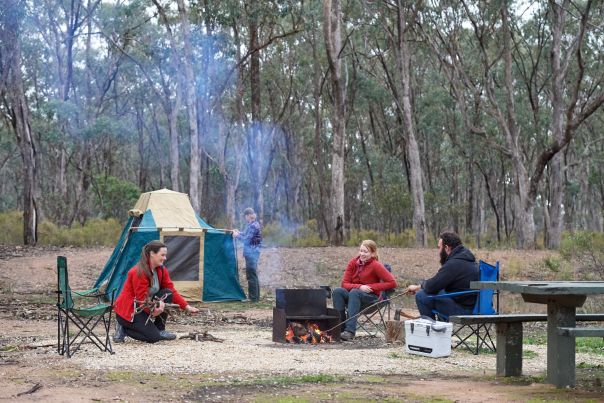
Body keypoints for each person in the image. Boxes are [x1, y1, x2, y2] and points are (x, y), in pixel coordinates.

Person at [113, 240, 199, 343]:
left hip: (145, 306)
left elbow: (171, 290)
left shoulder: (161, 270)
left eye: (165, 255)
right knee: (153, 338)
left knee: (167, 293)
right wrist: (153, 312)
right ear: (152, 254)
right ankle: (124, 328)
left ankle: (160, 329)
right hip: (130, 310)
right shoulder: (138, 272)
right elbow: (141, 300)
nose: (165, 258)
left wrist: (187, 307)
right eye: (162, 255)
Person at [332, 240, 397, 341]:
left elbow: (392, 283)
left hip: (372, 299)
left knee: (354, 292)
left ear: (373, 253)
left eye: (365, 252)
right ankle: (340, 328)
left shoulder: (376, 265)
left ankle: (350, 331)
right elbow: (344, 284)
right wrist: (360, 287)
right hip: (354, 297)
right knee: (337, 291)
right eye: (361, 251)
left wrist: (372, 287)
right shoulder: (353, 263)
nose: (362, 254)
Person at [406, 231, 479, 320]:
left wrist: (418, 287)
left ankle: (432, 331)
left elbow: (432, 286)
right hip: (475, 307)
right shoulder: (470, 261)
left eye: (439, 248)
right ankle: (442, 330)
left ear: (447, 248)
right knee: (439, 291)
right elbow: (437, 284)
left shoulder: (453, 264)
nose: (438, 252)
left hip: (464, 310)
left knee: (421, 296)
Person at [232, 207, 263, 302]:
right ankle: (255, 297)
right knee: (253, 274)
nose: (245, 218)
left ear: (249, 215)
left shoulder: (253, 225)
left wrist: (237, 236)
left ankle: (253, 298)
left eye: (245, 216)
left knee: (251, 275)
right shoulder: (252, 224)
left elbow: (247, 240)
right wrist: (239, 232)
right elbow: (246, 234)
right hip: (253, 252)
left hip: (252, 253)